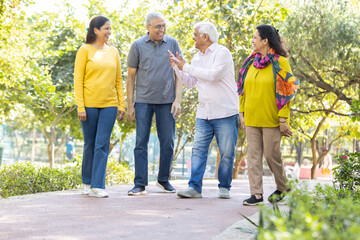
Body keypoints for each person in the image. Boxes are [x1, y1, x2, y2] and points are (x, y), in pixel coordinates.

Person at [169, 22, 239, 199]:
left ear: (205, 37)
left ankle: (224, 187)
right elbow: (191, 83)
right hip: (203, 113)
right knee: (198, 150)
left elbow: (213, 75)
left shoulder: (222, 53)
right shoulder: (196, 58)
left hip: (225, 112)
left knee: (226, 153)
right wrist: (177, 67)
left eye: (195, 35)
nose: (193, 37)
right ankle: (194, 188)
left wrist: (185, 67)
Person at [239, 25, 300, 205]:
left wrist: (283, 119)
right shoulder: (250, 62)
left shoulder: (280, 62)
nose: (253, 40)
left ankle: (283, 187)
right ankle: (256, 194)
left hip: (271, 117)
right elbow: (242, 89)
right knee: (253, 156)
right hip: (251, 116)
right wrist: (241, 112)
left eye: (255, 37)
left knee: (271, 155)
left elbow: (287, 91)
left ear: (265, 41)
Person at [126, 12, 182, 195]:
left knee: (167, 142)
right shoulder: (137, 46)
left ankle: (163, 180)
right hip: (143, 102)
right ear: (147, 27)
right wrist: (129, 105)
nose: (162, 29)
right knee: (141, 142)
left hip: (166, 102)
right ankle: (140, 183)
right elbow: (131, 77)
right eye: (158, 26)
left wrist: (178, 99)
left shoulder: (172, 43)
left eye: (164, 25)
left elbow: (179, 73)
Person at [74, 16, 125, 198]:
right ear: (95, 30)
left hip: (109, 105)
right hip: (88, 105)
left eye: (110, 29)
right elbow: (78, 79)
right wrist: (80, 106)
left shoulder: (114, 52)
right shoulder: (84, 50)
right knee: (90, 144)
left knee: (102, 144)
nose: (109, 32)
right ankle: (87, 182)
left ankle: (98, 185)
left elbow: (119, 79)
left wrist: (122, 104)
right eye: (106, 28)